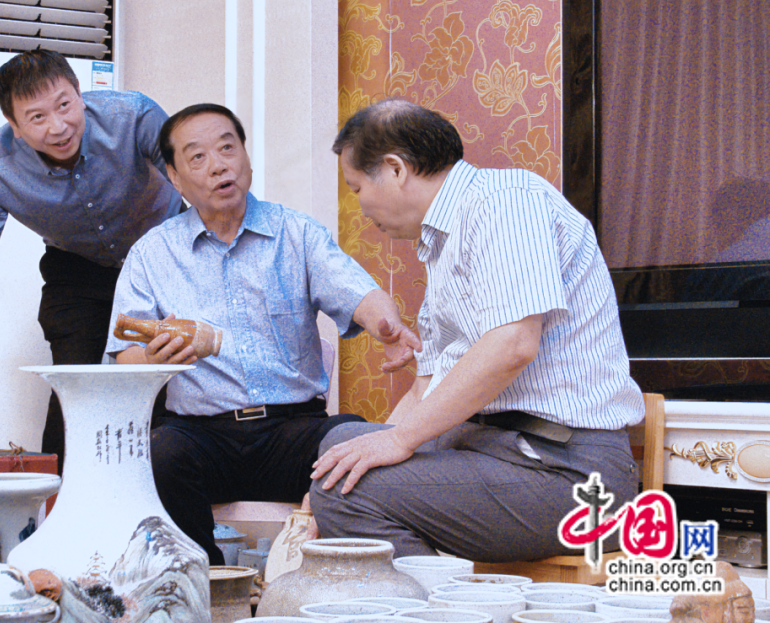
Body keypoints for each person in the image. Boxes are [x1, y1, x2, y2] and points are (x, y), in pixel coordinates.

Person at [309, 99, 645, 562]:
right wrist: (342, 464)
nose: (360, 205)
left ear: (395, 169)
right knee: (338, 447)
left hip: (568, 469)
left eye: (357, 187)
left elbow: (513, 344)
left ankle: (441, 599)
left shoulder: (504, 201)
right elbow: (425, 391)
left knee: (345, 491)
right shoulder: (441, 244)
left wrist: (394, 443)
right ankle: (437, 591)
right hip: (496, 451)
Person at [105, 103, 420, 564]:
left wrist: (387, 326)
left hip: (293, 431)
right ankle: (206, 582)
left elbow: (358, 292)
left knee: (353, 440)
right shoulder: (151, 254)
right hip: (201, 437)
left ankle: (329, 577)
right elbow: (123, 359)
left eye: (227, 148)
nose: (218, 166)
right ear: (174, 177)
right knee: (159, 454)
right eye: (197, 157)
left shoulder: (297, 233)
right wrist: (155, 358)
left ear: (246, 158)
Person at [0, 50, 183, 457]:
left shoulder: (133, 116)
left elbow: (198, 191)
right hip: (76, 267)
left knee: (163, 393)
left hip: (161, 254)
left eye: (65, 105)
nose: (58, 126)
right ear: (14, 126)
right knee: (72, 392)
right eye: (37, 117)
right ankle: (60, 492)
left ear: (80, 95)